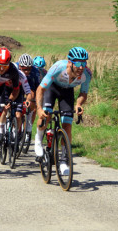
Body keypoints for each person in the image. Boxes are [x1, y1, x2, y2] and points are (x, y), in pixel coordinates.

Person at [34, 47, 92, 175]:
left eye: (84, 63)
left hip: (67, 92)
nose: (81, 67)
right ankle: (38, 140)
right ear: (70, 62)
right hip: (51, 88)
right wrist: (39, 109)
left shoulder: (86, 74)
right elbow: (40, 89)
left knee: (67, 125)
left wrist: (78, 104)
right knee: (46, 115)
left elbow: (83, 92)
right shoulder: (58, 68)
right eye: (78, 63)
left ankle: (64, 161)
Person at [16, 54, 41, 141]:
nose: (26, 71)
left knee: (33, 95)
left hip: (29, 85)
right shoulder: (15, 68)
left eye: (29, 69)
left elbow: (38, 88)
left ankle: (29, 124)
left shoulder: (35, 71)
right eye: (24, 69)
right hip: (17, 85)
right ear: (20, 66)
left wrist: (35, 101)